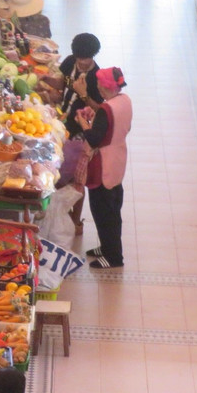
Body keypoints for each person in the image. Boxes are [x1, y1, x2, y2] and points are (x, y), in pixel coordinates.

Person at [79, 67, 132, 269]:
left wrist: (84, 123)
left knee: (103, 211)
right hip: (118, 157)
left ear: (104, 87)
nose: (97, 87)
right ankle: (107, 247)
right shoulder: (124, 101)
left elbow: (93, 139)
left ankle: (113, 257)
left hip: (103, 164)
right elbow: (119, 127)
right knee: (113, 205)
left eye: (99, 84)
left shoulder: (106, 109)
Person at [58, 33, 103, 235]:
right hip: (61, 122)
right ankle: (59, 211)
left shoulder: (97, 78)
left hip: (79, 132)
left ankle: (76, 221)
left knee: (77, 177)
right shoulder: (69, 62)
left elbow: (101, 109)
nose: (82, 64)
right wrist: (44, 81)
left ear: (93, 56)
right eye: (79, 59)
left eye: (85, 60)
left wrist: (83, 94)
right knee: (59, 170)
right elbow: (61, 83)